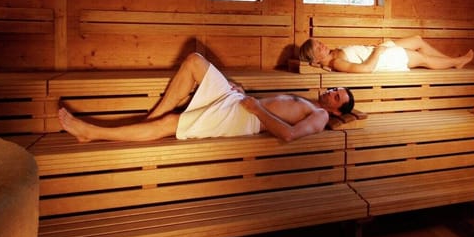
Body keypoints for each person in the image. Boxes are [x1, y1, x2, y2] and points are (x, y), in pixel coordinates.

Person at [57, 52, 354, 143]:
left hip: (245, 120)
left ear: (337, 112)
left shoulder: (320, 116)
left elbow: (289, 134)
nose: (331, 93)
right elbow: (275, 107)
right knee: (194, 61)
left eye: (337, 97)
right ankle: (149, 119)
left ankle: (91, 132)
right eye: (334, 90)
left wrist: (256, 109)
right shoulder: (310, 102)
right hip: (241, 104)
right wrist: (246, 95)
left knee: (169, 124)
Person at [298, 36, 474, 73]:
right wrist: (378, 51)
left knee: (417, 40)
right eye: (318, 48)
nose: (322, 45)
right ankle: (456, 62)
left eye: (319, 42)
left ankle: (452, 61)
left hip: (378, 50)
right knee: (423, 59)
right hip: (381, 58)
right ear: (316, 58)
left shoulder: (333, 54)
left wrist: (377, 48)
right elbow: (366, 69)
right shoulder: (336, 62)